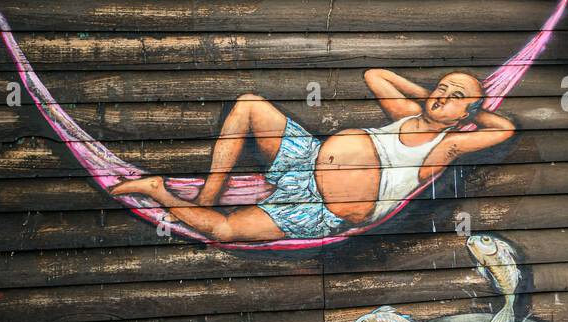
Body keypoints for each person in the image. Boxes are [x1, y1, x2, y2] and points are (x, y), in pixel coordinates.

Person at [111, 69, 514, 241]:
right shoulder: (407, 113)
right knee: (250, 104)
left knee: (226, 231)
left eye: (456, 97)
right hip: (306, 158)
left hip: (319, 209)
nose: (443, 96)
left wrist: (471, 111)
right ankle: (208, 194)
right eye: (442, 87)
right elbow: (376, 75)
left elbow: (505, 129)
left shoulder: (447, 144)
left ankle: (160, 192)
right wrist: (431, 95)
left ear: (468, 114)